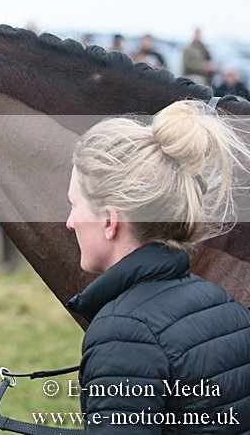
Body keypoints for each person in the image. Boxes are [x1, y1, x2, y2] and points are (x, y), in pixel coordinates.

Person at [65, 99, 250, 431]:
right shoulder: (228, 307)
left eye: (74, 205)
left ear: (110, 220)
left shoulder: (123, 332)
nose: (69, 222)